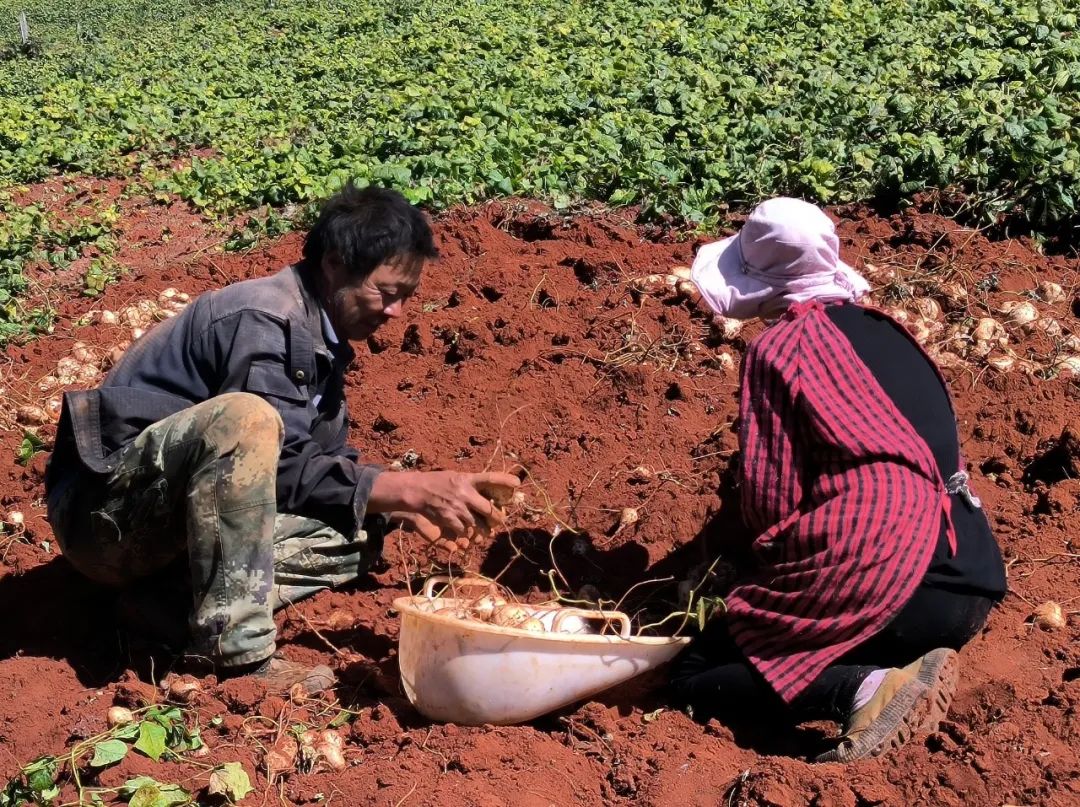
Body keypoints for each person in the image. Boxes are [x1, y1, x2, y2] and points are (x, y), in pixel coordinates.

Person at [45, 184, 519, 694]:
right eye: (387, 292)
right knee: (248, 418)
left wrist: (397, 504)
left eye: (407, 297)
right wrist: (410, 487)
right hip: (105, 519)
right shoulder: (265, 318)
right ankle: (236, 655)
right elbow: (280, 463)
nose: (396, 312)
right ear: (335, 264)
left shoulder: (318, 335)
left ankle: (168, 605)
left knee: (358, 528)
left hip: (163, 520)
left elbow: (320, 468)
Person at [668, 197, 1006, 762]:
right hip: (968, 579)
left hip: (891, 578)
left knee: (696, 672)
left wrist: (750, 582)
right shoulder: (893, 330)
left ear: (759, 278)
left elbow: (771, 503)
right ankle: (896, 667)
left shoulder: (779, 350)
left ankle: (868, 688)